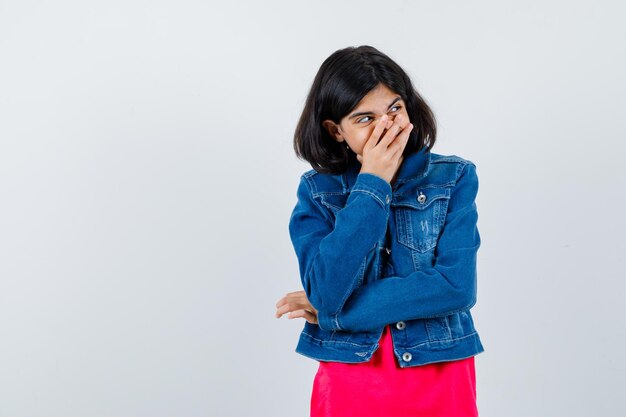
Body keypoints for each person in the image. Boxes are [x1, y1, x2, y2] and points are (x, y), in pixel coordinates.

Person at [275, 45, 484, 417]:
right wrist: (372, 183)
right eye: (365, 119)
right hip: (352, 375)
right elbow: (326, 290)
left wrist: (332, 315)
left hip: (440, 370)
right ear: (335, 130)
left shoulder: (454, 178)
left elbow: (456, 287)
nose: (387, 126)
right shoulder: (317, 192)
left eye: (394, 109)